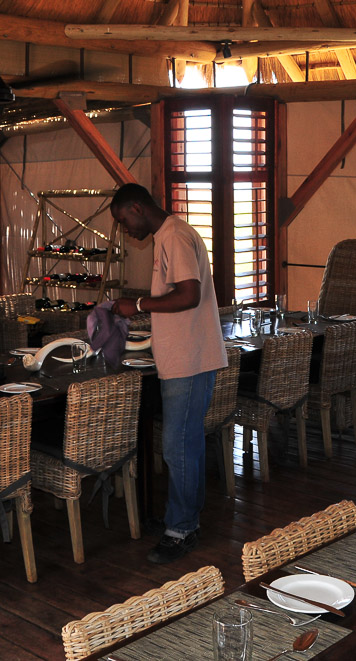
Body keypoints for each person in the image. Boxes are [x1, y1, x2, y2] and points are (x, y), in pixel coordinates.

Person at [110, 183, 227, 563]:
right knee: (183, 445)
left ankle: (182, 530)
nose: (125, 230)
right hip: (182, 358)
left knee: (178, 446)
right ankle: (183, 517)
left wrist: (138, 305)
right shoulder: (169, 234)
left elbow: (189, 295)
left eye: (123, 220)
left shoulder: (174, 235)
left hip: (190, 360)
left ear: (137, 207)